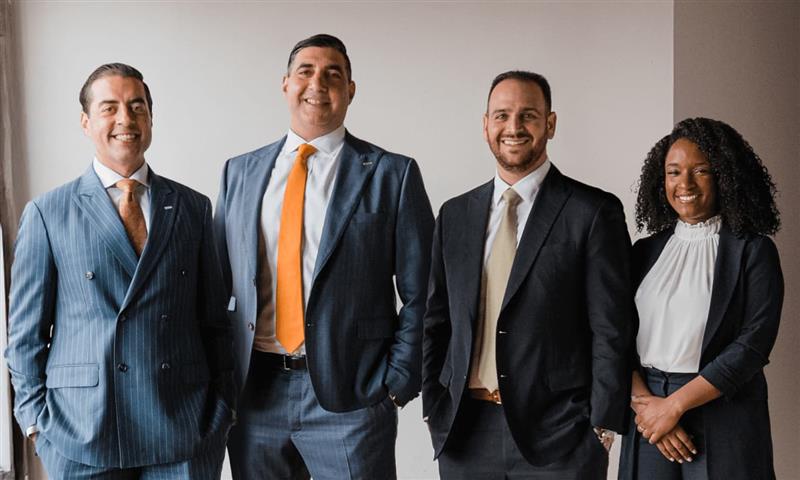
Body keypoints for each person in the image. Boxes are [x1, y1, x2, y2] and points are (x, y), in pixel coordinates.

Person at [214, 33, 434, 480]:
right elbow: (217, 285)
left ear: (350, 90)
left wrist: (396, 383)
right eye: (306, 71)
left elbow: (426, 291)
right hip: (256, 395)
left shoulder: (392, 174)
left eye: (333, 74)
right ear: (285, 84)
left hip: (352, 397)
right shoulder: (240, 172)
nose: (318, 83)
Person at [4, 63, 235, 478]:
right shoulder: (48, 213)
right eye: (109, 107)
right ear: (86, 122)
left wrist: (222, 410)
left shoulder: (193, 207)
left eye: (137, 106)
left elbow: (215, 323)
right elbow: (25, 336)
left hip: (183, 427)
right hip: (81, 431)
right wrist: (36, 423)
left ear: (151, 118)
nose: (125, 119)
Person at [422, 70, 633, 479]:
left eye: (528, 115)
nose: (513, 127)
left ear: (550, 124)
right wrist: (434, 405)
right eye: (502, 115)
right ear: (486, 125)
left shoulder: (592, 212)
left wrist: (601, 426)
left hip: (560, 437)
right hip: (465, 433)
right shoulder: (454, 215)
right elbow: (437, 320)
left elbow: (612, 327)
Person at [618, 117, 783, 480]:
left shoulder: (753, 251)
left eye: (701, 171)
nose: (685, 184)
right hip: (647, 407)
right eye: (674, 172)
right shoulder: (643, 252)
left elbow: (753, 345)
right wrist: (647, 407)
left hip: (724, 408)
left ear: (725, 176)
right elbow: (616, 334)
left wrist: (674, 406)